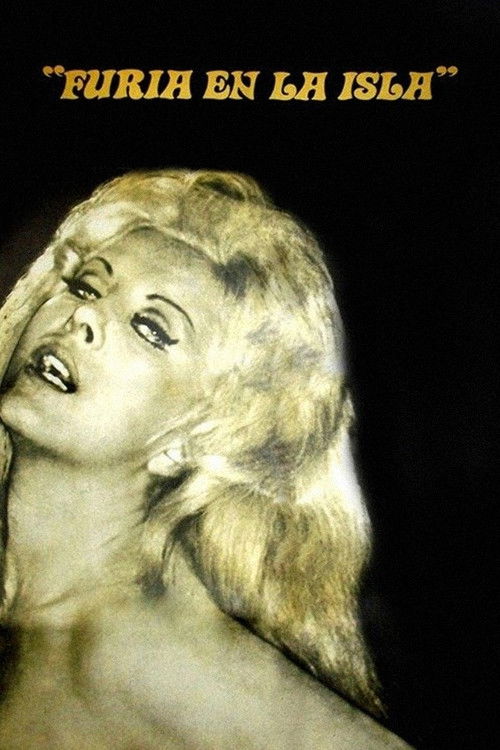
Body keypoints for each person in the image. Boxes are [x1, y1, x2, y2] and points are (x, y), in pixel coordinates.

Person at [0, 170, 410, 748]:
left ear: (195, 439)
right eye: (88, 287)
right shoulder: (42, 617)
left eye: (150, 328)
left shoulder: (158, 660)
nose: (82, 318)